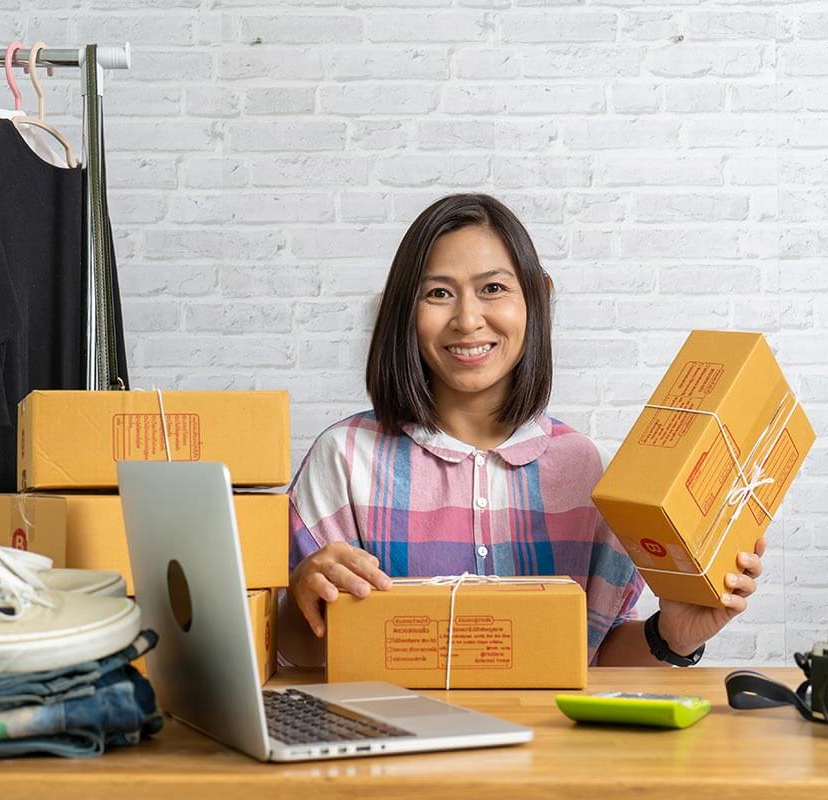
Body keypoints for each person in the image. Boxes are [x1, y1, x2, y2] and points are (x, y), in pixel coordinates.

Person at [279, 193, 765, 668]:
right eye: (438, 293)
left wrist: (671, 637)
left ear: (536, 299)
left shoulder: (586, 468)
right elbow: (290, 655)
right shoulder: (343, 458)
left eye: (493, 289)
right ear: (405, 312)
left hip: (554, 748)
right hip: (395, 743)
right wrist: (302, 599)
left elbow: (595, 656)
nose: (468, 320)